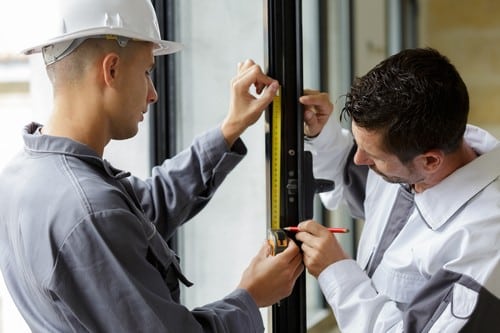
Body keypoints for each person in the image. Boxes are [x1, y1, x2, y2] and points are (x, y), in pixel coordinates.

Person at [0, 0, 303, 332]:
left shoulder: (23, 178)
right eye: (146, 72)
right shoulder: (89, 211)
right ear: (111, 70)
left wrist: (229, 129)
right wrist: (249, 296)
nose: (153, 94)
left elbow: (142, 210)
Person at [296, 48, 500, 332]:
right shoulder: (416, 155)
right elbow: (350, 175)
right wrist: (322, 134)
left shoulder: (486, 245)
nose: (359, 160)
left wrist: (337, 273)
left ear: (430, 160)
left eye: (373, 157)